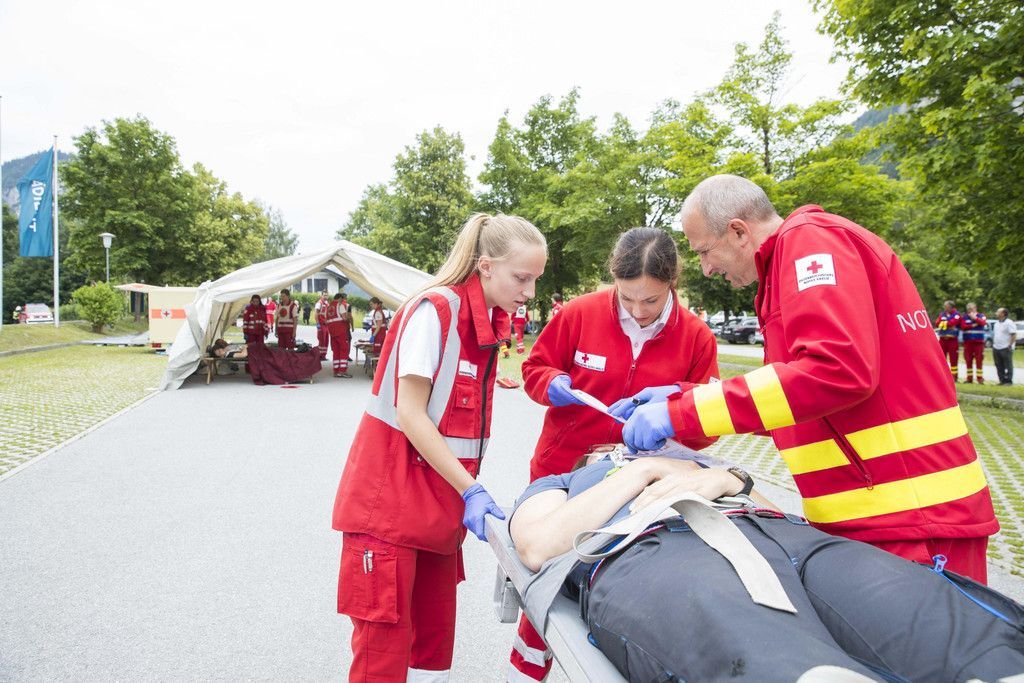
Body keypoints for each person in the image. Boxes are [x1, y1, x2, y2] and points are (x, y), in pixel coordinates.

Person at [622, 175, 997, 584]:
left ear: (738, 231)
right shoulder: (784, 269)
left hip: (912, 518)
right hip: (885, 514)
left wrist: (682, 412)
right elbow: (797, 400)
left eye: (704, 252)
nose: (707, 269)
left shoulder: (810, 243)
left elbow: (838, 371)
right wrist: (683, 395)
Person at [509, 450, 1024, 682]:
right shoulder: (564, 483)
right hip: (656, 551)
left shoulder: (694, 459)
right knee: (767, 655)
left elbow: (764, 498)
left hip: (785, 536)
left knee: (928, 615)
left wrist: (727, 478)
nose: (620, 445)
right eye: (607, 449)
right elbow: (537, 545)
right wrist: (638, 470)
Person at [331, 213, 547, 681]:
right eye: (521, 278)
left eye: (535, 279)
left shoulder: (482, 327)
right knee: (382, 659)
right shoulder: (435, 313)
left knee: (430, 653)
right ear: (486, 266)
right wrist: (472, 489)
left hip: (436, 515)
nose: (530, 292)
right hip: (390, 513)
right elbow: (410, 413)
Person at [510, 227, 719, 681]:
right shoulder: (579, 314)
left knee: (624, 581)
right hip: (563, 469)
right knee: (550, 573)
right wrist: (551, 384)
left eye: (651, 300)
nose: (638, 312)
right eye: (627, 299)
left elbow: (709, 427)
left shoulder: (697, 337)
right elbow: (534, 368)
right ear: (613, 281)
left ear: (672, 284)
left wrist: (675, 408)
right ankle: (526, 669)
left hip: (640, 484)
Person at [325, 292, 353, 378]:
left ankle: (336, 371)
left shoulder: (328, 307)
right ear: (340, 298)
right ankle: (342, 371)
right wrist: (349, 318)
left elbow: (326, 320)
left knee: (336, 351)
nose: (343, 301)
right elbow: (344, 318)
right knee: (344, 350)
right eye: (343, 299)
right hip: (341, 331)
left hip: (332, 332)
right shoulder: (340, 305)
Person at [935, 299, 962, 381]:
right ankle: (943, 376)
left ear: (951, 307)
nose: (945, 307)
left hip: (952, 339)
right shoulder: (942, 314)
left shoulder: (956, 314)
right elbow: (937, 323)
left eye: (946, 306)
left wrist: (944, 323)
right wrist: (947, 324)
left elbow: (954, 322)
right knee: (941, 358)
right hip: (942, 339)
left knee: (953, 358)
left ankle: (954, 376)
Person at [960, 302, 987, 384]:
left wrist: (975, 318)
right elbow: (963, 326)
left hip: (978, 342)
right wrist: (973, 325)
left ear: (975, 308)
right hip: (968, 342)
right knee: (968, 360)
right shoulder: (964, 317)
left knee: (979, 360)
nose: (970, 311)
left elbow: (983, 323)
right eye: (969, 309)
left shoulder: (981, 316)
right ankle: (969, 378)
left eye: (972, 309)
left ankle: (980, 378)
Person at [993, 307, 1017, 385]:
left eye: (998, 312)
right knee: (998, 365)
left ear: (1003, 314)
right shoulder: (996, 323)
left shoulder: (1009, 322)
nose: (996, 313)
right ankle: (1002, 380)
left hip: (1005, 347)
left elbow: (1013, 334)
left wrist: (1010, 345)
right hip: (996, 347)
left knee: (1008, 364)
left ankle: (1008, 381)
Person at [315, 291, 330, 360]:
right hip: (321, 324)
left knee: (326, 341)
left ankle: (323, 356)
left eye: (326, 295)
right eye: (324, 295)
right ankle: (319, 356)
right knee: (321, 340)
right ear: (321, 296)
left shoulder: (327, 303)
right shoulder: (319, 303)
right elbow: (316, 314)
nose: (325, 297)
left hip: (326, 325)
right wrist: (318, 324)